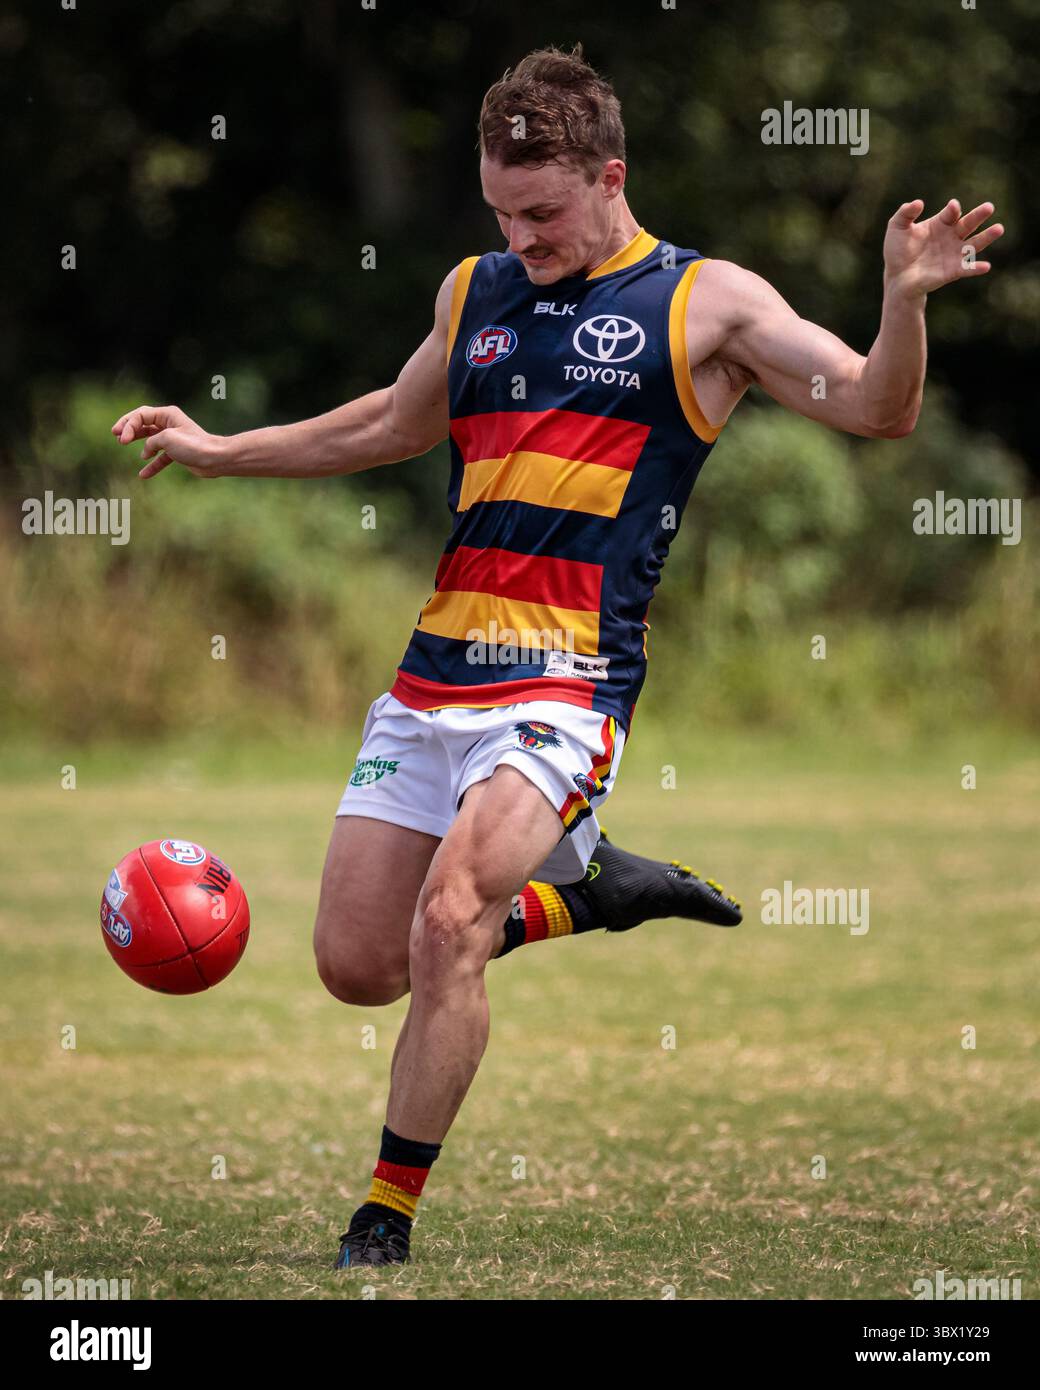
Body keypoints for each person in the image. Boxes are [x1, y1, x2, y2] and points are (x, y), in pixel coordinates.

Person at [112, 44, 1002, 1268]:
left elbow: (873, 408)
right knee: (357, 965)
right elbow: (385, 420)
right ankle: (591, 893)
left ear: (608, 177)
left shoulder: (708, 304)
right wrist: (220, 449)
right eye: (500, 212)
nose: (519, 236)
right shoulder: (474, 290)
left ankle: (383, 1218)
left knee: (450, 916)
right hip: (432, 676)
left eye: (540, 213)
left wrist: (899, 301)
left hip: (566, 682)